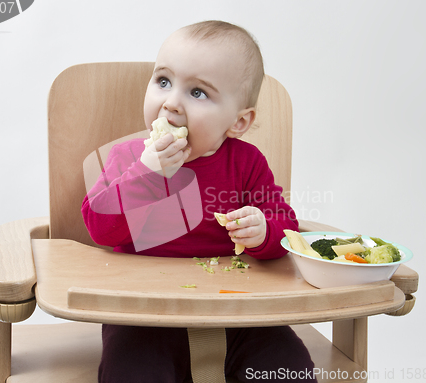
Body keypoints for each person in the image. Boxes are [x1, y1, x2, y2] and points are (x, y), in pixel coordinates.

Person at [82, 20, 316, 383]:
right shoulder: (129, 158)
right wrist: (146, 175)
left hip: (239, 312)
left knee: (289, 367)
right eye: (163, 82)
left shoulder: (247, 163)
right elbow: (99, 227)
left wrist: (263, 229)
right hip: (143, 313)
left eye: (198, 93)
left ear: (238, 122)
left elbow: (286, 226)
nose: (171, 102)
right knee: (133, 372)